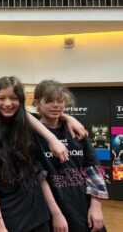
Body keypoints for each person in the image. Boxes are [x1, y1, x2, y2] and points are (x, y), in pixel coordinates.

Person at [0, 76, 68, 232]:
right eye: (1, 98)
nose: (8, 104)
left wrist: (56, 212)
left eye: (13, 98)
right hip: (7, 214)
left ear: (21, 101)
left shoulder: (27, 127)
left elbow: (38, 174)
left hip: (37, 212)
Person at [34, 80, 108, 232]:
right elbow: (39, 178)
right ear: (36, 103)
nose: (56, 105)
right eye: (49, 101)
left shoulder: (77, 131)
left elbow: (93, 169)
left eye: (60, 101)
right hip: (55, 211)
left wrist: (96, 206)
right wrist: (56, 213)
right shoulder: (32, 136)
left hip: (85, 207)